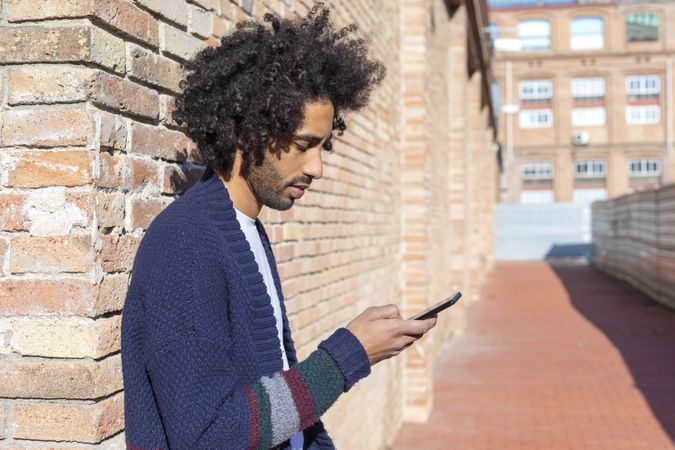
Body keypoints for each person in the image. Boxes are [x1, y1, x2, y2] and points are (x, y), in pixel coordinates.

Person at [120, 3, 437, 449]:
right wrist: (346, 356)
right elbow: (209, 435)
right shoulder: (186, 245)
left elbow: (277, 394)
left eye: (323, 145)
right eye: (305, 144)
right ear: (250, 130)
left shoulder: (245, 230)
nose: (318, 167)